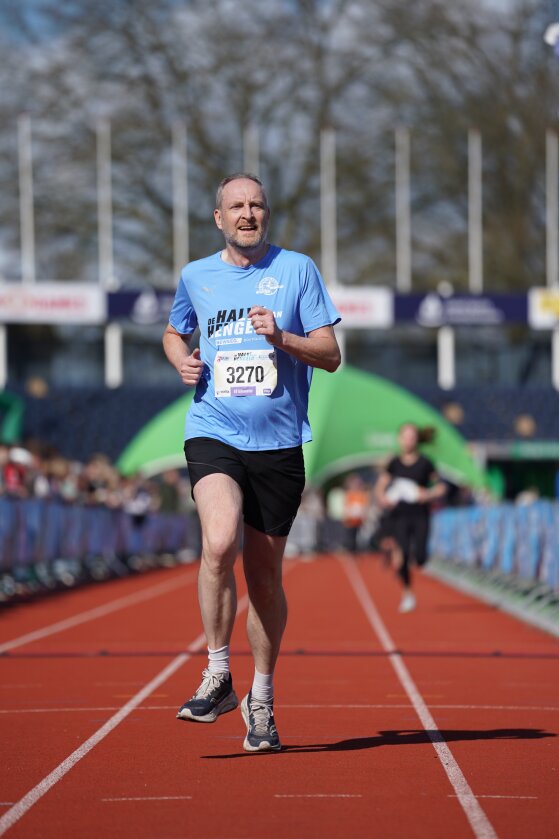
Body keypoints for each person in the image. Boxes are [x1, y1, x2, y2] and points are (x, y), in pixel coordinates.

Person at [162, 173, 341, 752]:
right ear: (219, 218)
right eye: (236, 206)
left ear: (267, 214)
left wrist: (282, 337)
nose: (247, 214)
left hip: (279, 443)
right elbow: (173, 332)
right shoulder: (196, 275)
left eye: (256, 205)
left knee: (264, 579)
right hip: (213, 429)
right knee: (218, 542)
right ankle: (217, 673)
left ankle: (260, 698)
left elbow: (331, 354)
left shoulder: (297, 270)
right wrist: (181, 360)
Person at [374, 423, 446, 613]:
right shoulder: (394, 463)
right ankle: (407, 593)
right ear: (399, 439)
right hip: (399, 516)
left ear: (417, 440)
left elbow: (441, 487)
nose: (408, 441)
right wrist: (383, 498)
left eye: (411, 437)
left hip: (420, 515)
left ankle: (416, 560)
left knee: (420, 559)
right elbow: (380, 487)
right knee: (403, 555)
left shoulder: (426, 463)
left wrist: (428, 494)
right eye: (405, 437)